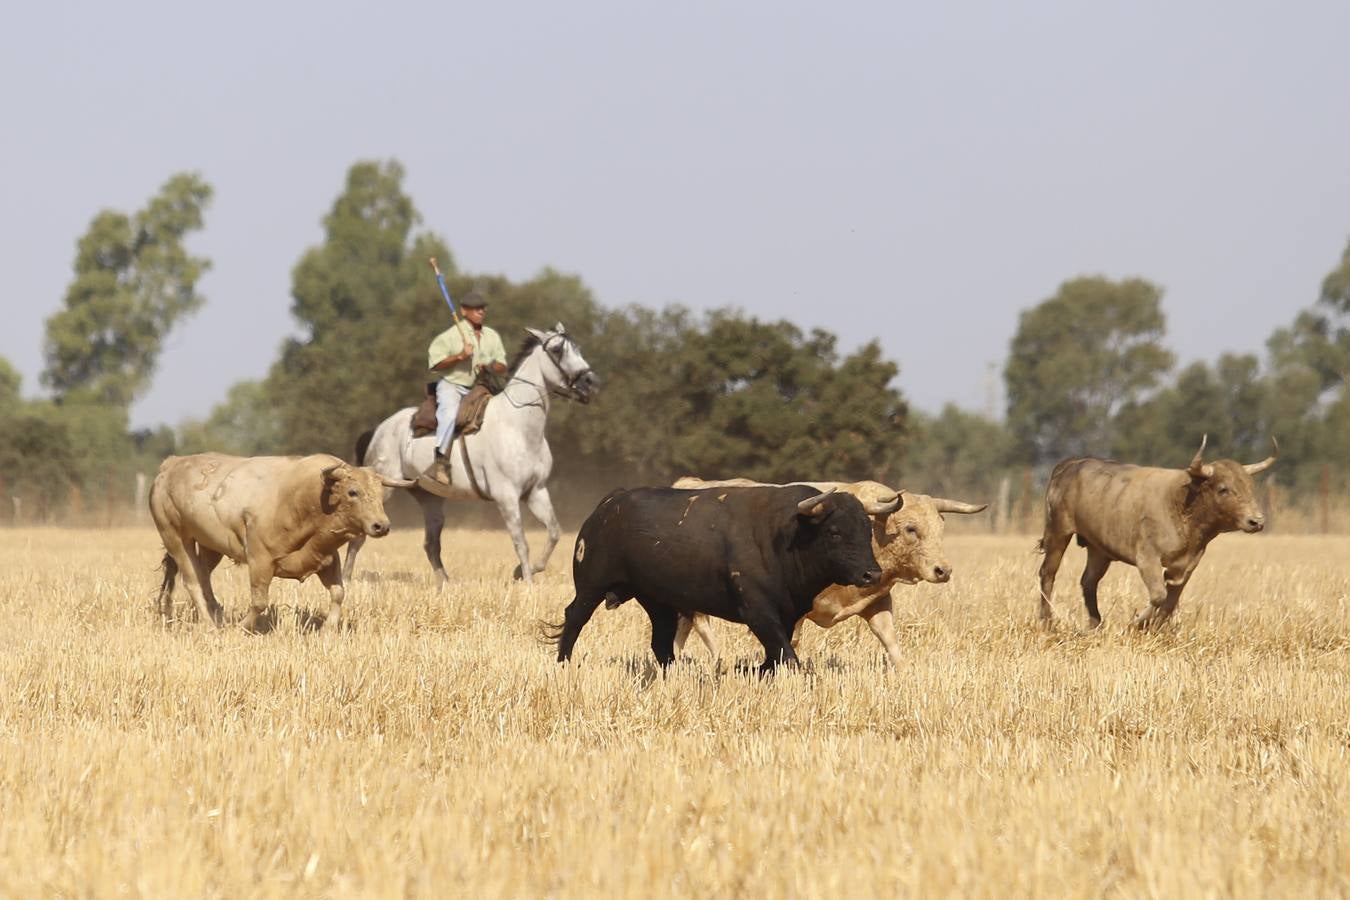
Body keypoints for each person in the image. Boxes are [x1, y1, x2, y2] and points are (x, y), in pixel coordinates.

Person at [423, 290, 508, 487]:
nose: (481, 311)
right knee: (450, 414)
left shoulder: (492, 336)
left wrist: (489, 366)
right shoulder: (450, 336)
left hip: (479, 387)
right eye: (476, 308)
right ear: (463, 311)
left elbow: (503, 367)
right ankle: (441, 462)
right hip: (452, 385)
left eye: (483, 308)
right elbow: (435, 364)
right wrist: (460, 356)